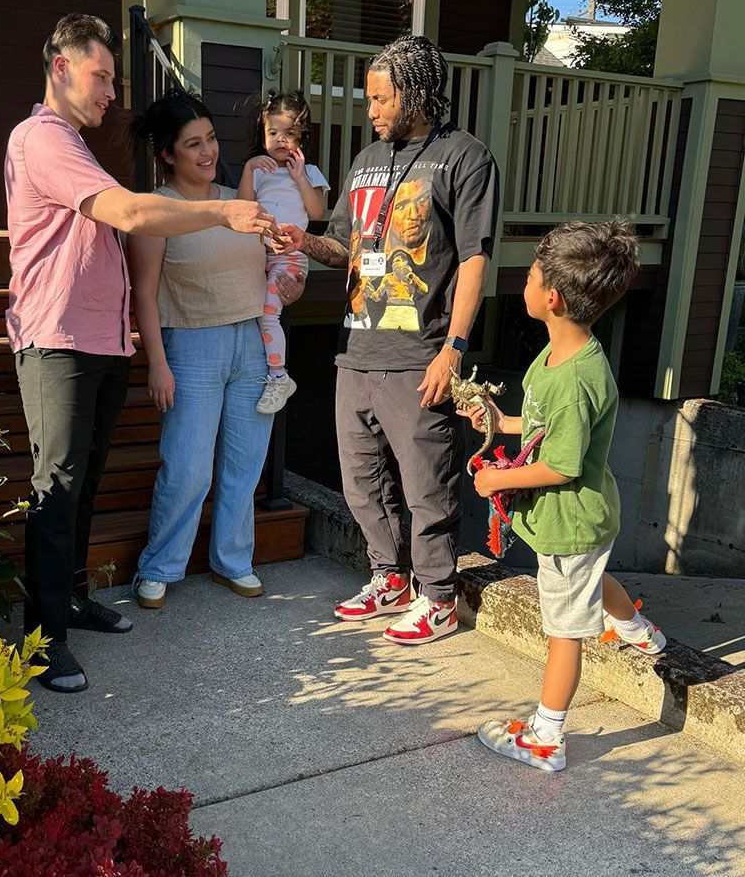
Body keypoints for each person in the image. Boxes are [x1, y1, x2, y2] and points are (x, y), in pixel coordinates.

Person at [5, 14, 277, 694]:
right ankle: (44, 641)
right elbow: (130, 214)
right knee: (58, 486)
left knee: (85, 482)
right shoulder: (41, 138)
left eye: (113, 79)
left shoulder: (73, 142)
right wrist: (220, 213)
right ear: (61, 66)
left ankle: (69, 600)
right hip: (58, 336)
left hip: (98, 337)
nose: (108, 92)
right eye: (100, 76)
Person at [274, 34, 500, 645]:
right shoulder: (367, 160)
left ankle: (438, 596)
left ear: (416, 92)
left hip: (421, 350)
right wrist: (303, 242)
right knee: (360, 479)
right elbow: (346, 245)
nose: (370, 109)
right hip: (356, 350)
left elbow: (475, 258)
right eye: (369, 97)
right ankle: (388, 577)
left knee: (428, 482)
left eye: (380, 97)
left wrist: (454, 347)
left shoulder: (464, 157)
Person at [464, 220, 666, 772]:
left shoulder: (573, 377)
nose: (523, 283)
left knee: (564, 631)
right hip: (580, 520)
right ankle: (636, 631)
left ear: (550, 296)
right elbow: (542, 429)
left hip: (571, 519)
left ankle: (546, 737)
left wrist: (497, 480)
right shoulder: (562, 355)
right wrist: (499, 420)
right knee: (589, 580)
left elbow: (560, 464)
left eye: (529, 275)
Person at [129, 91, 303, 612]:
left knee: (245, 464)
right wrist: (156, 362)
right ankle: (159, 567)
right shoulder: (160, 211)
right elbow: (143, 293)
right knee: (186, 468)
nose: (207, 152)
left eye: (210, 139)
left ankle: (233, 560)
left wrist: (286, 280)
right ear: (167, 154)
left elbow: (273, 267)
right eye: (192, 144)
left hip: (254, 344)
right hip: (190, 345)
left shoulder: (241, 203)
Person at [238, 90, 329, 414]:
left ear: (302, 136)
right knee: (256, 314)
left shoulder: (309, 172)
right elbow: (243, 205)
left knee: (267, 314)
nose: (280, 140)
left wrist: (300, 177)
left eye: (289, 133)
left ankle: (279, 376)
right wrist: (249, 170)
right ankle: (265, 372)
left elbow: (317, 211)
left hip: (289, 258)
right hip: (258, 258)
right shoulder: (259, 169)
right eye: (273, 132)